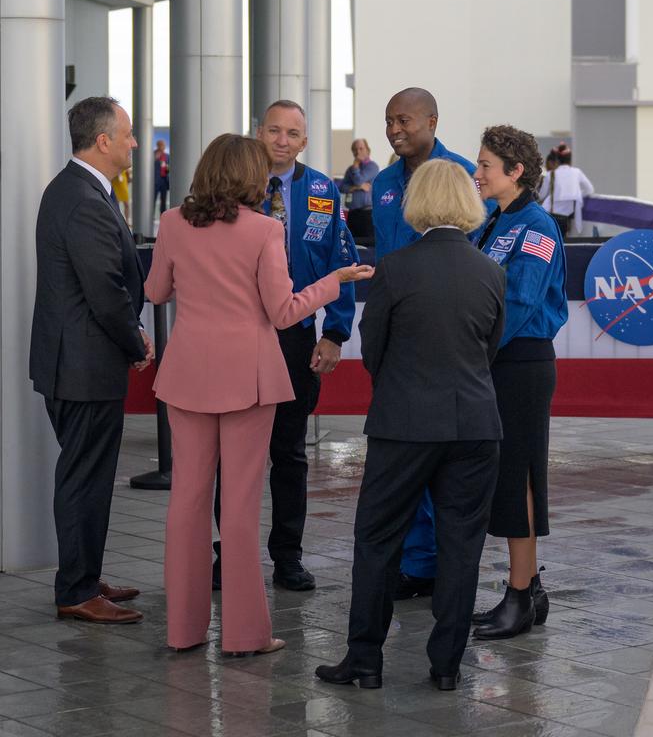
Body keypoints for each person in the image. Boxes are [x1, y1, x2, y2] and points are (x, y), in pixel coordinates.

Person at [145, 134, 373, 655]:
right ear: (251, 176)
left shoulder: (173, 222)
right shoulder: (265, 230)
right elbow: (284, 312)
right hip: (248, 378)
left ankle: (183, 630)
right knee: (242, 507)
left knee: (187, 500)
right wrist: (334, 279)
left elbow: (156, 292)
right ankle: (245, 636)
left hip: (187, 375)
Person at [316, 160, 505, 692]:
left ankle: (364, 660)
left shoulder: (395, 268)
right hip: (474, 425)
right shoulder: (491, 272)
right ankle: (446, 665)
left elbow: (372, 348)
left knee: (378, 539)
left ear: (416, 201)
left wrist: (403, 385)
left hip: (403, 423)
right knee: (462, 544)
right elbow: (488, 349)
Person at [214, 100, 361, 594]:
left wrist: (335, 332)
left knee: (290, 452)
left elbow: (342, 263)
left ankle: (287, 557)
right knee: (233, 453)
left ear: (304, 141)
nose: (281, 140)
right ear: (258, 133)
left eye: (292, 133)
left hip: (295, 337)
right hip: (237, 335)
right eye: (273, 130)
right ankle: (227, 555)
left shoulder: (323, 191)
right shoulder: (233, 187)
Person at [29, 96, 153, 624]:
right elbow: (104, 289)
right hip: (82, 366)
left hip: (78, 363)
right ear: (102, 141)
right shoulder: (81, 197)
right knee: (84, 478)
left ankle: (83, 574)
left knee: (90, 475)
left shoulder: (81, 190)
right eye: (126, 134)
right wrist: (136, 341)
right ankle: (77, 591)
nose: (133, 142)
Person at [369, 87, 483, 600]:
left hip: (448, 339)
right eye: (389, 121)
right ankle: (417, 565)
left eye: (405, 121)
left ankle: (445, 569)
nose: (395, 130)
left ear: (432, 120)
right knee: (405, 461)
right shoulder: (384, 183)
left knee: (447, 468)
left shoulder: (462, 175)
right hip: (400, 340)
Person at [471, 125, 568, 640]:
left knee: (520, 480)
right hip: (494, 364)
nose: (477, 172)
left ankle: (519, 594)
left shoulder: (536, 227)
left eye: (486, 165)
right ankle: (527, 590)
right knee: (505, 480)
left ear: (516, 172)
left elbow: (523, 302)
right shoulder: (491, 222)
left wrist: (471, 353)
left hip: (521, 365)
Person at [536, 142, 595, 237]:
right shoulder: (577, 172)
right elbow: (590, 189)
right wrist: (577, 194)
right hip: (566, 217)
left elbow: (541, 195)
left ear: (558, 160)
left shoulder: (551, 174)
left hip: (549, 215)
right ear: (570, 160)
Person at [342, 138, 379, 245]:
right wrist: (357, 188)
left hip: (366, 213)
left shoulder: (372, 166)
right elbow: (343, 187)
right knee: (351, 243)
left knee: (367, 244)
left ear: (368, 150)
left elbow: (359, 180)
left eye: (361, 148)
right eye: (355, 149)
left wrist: (356, 166)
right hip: (353, 213)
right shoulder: (351, 169)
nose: (358, 152)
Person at [154, 139, 170, 216]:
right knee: (153, 199)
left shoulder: (167, 156)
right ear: (157, 146)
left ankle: (163, 216)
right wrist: (155, 158)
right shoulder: (153, 155)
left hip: (164, 180)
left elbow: (170, 167)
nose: (162, 147)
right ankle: (151, 216)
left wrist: (168, 168)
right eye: (161, 145)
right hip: (156, 181)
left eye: (163, 145)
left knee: (163, 200)